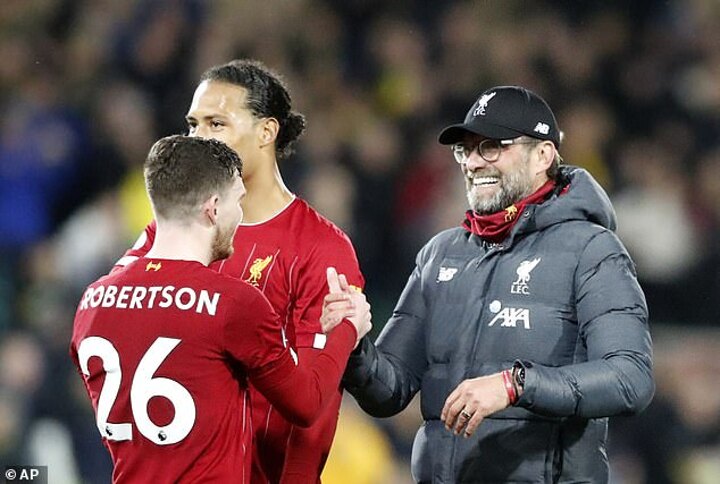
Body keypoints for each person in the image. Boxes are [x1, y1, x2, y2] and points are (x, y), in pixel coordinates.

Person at [333, 86, 655, 483]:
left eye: (491, 147)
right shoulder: (440, 253)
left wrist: (517, 385)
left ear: (543, 155)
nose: (472, 162)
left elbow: (630, 379)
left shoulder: (592, 250)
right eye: (465, 150)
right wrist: (355, 345)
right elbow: (389, 392)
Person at [113, 60, 365, 484]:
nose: (198, 138)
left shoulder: (321, 248)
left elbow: (312, 408)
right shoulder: (172, 228)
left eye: (216, 124)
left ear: (266, 132)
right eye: (193, 125)